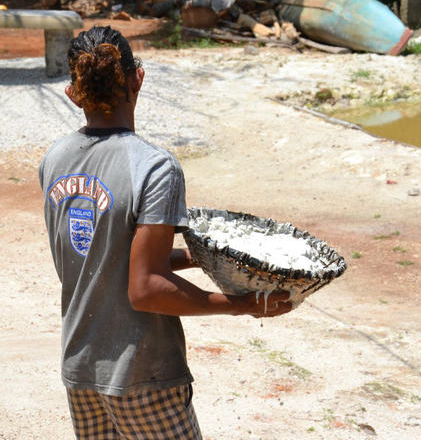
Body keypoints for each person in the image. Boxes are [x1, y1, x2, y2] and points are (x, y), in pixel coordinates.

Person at [39, 26, 291, 440]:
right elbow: (145, 288)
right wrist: (241, 304)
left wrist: (199, 257)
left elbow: (103, 257)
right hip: (142, 374)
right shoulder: (155, 168)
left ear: (73, 92)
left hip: (81, 369)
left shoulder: (55, 159)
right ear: (138, 78)